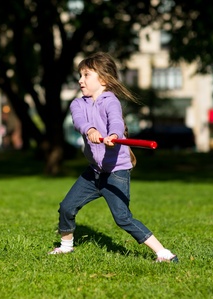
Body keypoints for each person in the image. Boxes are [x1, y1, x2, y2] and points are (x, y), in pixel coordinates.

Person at [48, 52, 178, 262]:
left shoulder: (111, 102)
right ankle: (66, 246)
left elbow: (116, 122)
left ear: (103, 79)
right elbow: (79, 121)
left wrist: (114, 136)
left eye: (86, 75)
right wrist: (90, 130)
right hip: (94, 172)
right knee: (66, 207)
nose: (80, 80)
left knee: (122, 218)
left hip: (116, 171)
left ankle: (163, 253)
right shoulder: (77, 104)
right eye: (80, 75)